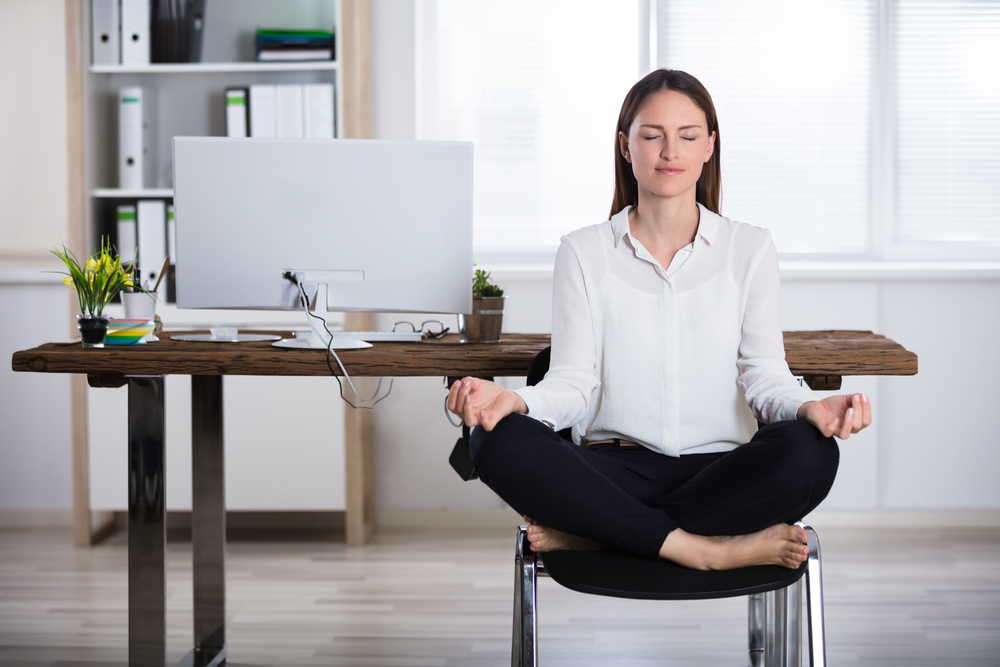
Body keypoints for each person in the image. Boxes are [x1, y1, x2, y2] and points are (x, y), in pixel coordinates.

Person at [446, 69, 870, 571]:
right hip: (610, 469)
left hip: (722, 471)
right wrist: (515, 400)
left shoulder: (750, 248)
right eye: (652, 136)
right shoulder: (582, 251)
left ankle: (598, 535)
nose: (670, 151)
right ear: (626, 147)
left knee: (812, 452)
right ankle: (706, 551)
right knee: (495, 438)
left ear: (709, 146)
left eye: (687, 136)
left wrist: (809, 409)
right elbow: (573, 382)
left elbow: (764, 375)